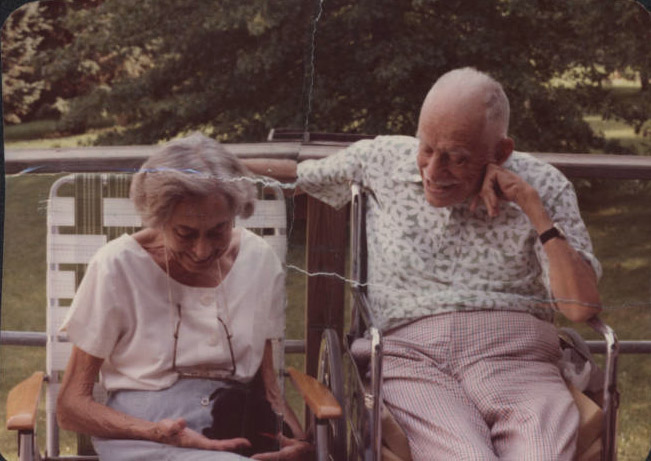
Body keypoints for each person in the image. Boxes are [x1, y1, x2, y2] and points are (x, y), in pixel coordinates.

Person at [246, 67, 602, 460]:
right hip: (412, 358)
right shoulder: (383, 159)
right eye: (427, 148)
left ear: (500, 153)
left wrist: (534, 210)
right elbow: (293, 177)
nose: (433, 171)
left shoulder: (544, 186)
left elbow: (580, 308)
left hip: (517, 358)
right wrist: (196, 165)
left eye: (457, 158)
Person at [57, 133, 310, 460]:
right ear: (158, 219)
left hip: (232, 425)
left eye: (218, 230)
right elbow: (70, 407)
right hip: (146, 433)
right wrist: (156, 432)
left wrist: (298, 445)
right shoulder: (116, 267)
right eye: (185, 233)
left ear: (235, 213)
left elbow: (270, 391)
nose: (202, 250)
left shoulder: (259, 261)